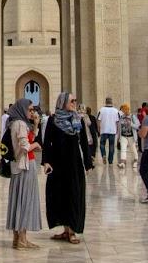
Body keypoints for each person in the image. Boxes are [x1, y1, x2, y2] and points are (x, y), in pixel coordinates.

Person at [43, 92, 91, 243]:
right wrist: (46, 161)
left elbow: (84, 143)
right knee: (59, 196)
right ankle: (65, 230)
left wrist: (88, 164)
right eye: (71, 101)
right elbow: (47, 142)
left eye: (75, 101)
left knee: (74, 195)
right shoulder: (53, 120)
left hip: (74, 165)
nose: (74, 103)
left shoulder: (78, 120)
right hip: (58, 165)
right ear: (62, 102)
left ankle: (72, 230)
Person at [5, 99, 45, 250]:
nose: (32, 112)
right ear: (22, 109)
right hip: (25, 167)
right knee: (25, 202)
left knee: (18, 202)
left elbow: (28, 138)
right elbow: (25, 146)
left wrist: (35, 125)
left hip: (18, 167)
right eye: (29, 110)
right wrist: (36, 146)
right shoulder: (20, 124)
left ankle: (17, 239)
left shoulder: (16, 123)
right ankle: (22, 240)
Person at [97, 97, 120, 166]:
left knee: (102, 144)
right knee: (112, 146)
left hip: (104, 130)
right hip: (112, 130)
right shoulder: (116, 111)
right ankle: (110, 161)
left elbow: (98, 120)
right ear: (111, 102)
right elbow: (118, 122)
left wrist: (99, 128)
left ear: (105, 102)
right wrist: (117, 130)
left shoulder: (101, 110)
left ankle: (104, 154)